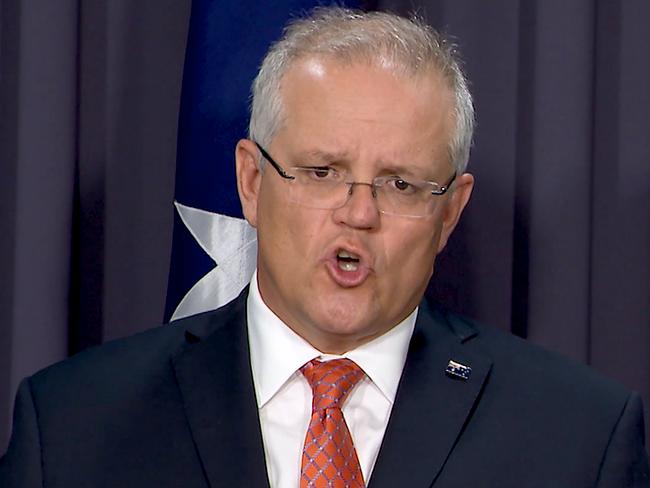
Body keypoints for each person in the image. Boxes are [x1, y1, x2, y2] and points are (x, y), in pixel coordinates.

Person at [1, 7, 648, 488]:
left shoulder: (579, 437)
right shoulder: (71, 428)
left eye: (399, 183)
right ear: (252, 183)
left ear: (450, 211)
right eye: (322, 172)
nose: (359, 213)